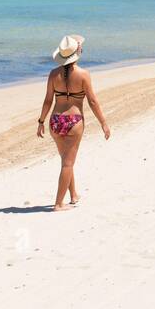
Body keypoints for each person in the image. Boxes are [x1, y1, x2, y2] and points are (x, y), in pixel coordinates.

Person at [37, 34, 111, 210]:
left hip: (55, 121)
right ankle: (58, 204)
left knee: (66, 160)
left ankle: (73, 194)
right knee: (68, 163)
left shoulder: (53, 74)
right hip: (74, 122)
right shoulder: (83, 74)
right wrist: (103, 123)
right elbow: (92, 101)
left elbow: (48, 100)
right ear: (77, 52)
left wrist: (41, 121)